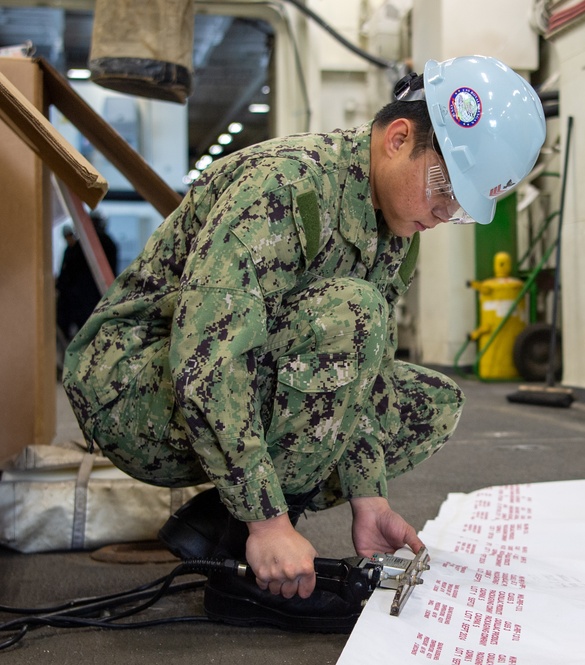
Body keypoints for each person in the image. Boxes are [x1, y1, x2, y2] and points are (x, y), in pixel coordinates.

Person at [61, 55, 546, 630]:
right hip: (134, 383)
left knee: (427, 403)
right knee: (351, 315)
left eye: (461, 207)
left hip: (215, 374)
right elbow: (207, 358)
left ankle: (222, 522)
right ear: (398, 138)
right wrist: (267, 523)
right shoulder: (287, 187)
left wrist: (370, 499)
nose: (445, 212)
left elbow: (358, 373)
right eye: (445, 187)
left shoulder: (394, 229)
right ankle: (252, 550)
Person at [55, 210, 118, 341]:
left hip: (78, 300)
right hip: (101, 298)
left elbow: (66, 277)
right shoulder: (109, 243)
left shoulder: (79, 244)